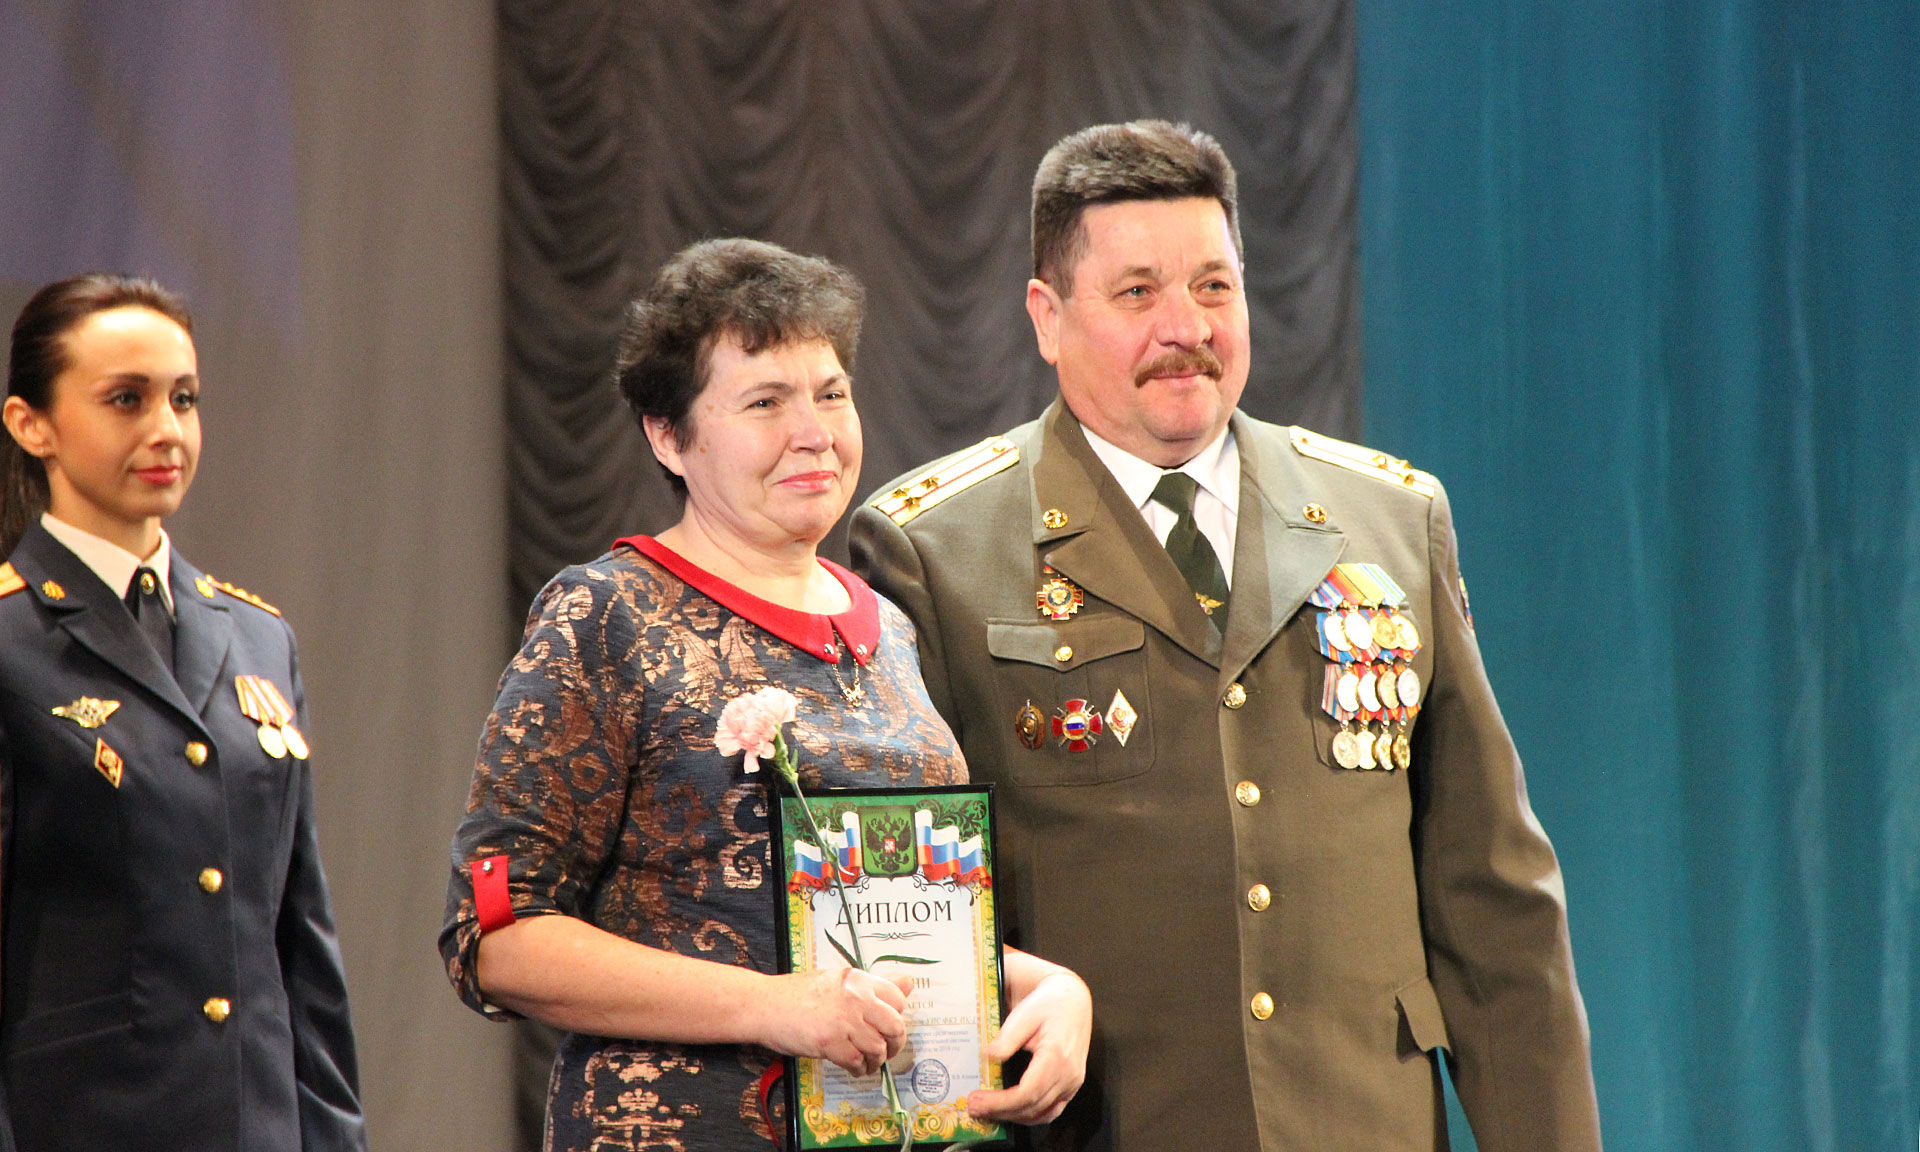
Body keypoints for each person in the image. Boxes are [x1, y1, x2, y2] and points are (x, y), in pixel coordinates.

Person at [850, 121, 1604, 1150]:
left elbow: (1494, 906)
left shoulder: (1391, 516)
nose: (1186, 327)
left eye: (1214, 286)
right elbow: (900, 913)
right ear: (1047, 317)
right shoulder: (933, 548)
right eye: (1137, 293)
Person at [440, 238, 1090, 1151]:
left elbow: (889, 918)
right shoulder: (605, 616)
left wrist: (1044, 987)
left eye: (831, 394)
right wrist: (773, 1008)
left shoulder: (890, 627)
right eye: (764, 402)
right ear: (668, 436)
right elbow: (495, 938)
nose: (813, 432)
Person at [0, 274, 366, 1150]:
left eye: (184, 399)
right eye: (126, 400)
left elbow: (301, 951)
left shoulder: (258, 637)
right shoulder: (10, 639)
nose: (166, 428)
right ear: (31, 424)